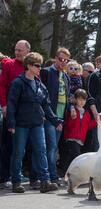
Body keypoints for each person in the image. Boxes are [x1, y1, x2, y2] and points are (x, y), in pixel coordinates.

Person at [7, 52, 62, 193]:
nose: (40, 68)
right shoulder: (18, 83)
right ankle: (16, 182)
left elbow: (46, 105)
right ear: (29, 66)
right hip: (21, 124)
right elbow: (11, 104)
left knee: (41, 151)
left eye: (40, 65)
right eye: (37, 65)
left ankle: (45, 181)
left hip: (37, 123)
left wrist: (55, 121)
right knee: (19, 152)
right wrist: (11, 123)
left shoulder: (40, 85)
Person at [0, 40, 30, 188]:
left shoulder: (30, 67)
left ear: (27, 52)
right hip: (10, 112)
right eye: (16, 49)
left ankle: (16, 174)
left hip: (25, 114)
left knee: (21, 146)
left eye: (20, 50)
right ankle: (5, 176)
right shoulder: (8, 65)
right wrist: (4, 105)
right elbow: (2, 86)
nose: (17, 52)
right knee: (8, 145)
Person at [39, 47, 72, 184]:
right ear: (55, 58)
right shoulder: (46, 72)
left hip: (61, 117)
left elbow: (66, 97)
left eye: (66, 60)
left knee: (53, 147)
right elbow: (42, 96)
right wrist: (45, 114)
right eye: (60, 59)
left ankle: (48, 175)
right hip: (49, 117)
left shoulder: (65, 76)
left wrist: (71, 108)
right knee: (51, 146)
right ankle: (51, 176)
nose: (63, 62)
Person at [61, 89, 97, 172]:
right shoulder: (71, 110)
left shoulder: (87, 113)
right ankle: (76, 174)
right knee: (77, 157)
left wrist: (96, 121)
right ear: (75, 100)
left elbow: (88, 126)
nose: (82, 102)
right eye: (79, 99)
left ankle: (69, 174)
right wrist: (73, 118)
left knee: (72, 158)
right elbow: (68, 124)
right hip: (71, 138)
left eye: (83, 99)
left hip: (80, 140)